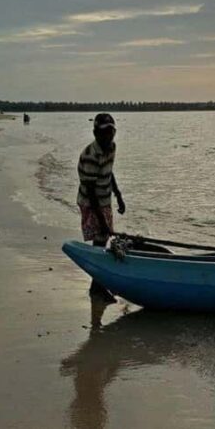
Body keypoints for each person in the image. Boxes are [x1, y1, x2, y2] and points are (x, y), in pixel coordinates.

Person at [77, 113, 126, 302]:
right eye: (105, 132)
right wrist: (103, 222)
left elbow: (109, 171)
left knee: (102, 240)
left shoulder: (111, 147)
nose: (109, 136)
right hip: (91, 203)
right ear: (95, 133)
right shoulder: (90, 156)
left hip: (105, 199)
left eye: (112, 132)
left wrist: (119, 195)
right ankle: (96, 287)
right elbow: (90, 192)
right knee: (100, 240)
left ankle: (97, 285)